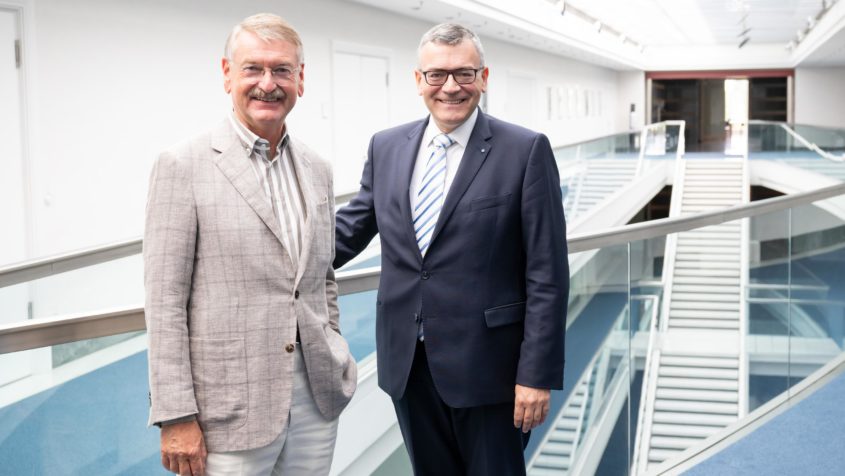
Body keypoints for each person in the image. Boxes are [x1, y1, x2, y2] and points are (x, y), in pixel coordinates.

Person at [334, 23, 568, 475]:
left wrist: (535, 374)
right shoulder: (387, 147)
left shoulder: (524, 149)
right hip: (409, 365)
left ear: (484, 77)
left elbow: (548, 273)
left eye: (464, 74)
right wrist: (272, 254)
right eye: (437, 75)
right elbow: (350, 229)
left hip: (491, 370)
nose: (451, 87)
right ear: (418, 80)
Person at [144, 13, 356, 476]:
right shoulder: (183, 165)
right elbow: (164, 305)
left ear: (300, 79)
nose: (268, 83)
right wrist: (176, 415)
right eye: (252, 68)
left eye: (281, 70)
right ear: (226, 75)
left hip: (316, 401)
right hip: (226, 414)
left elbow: (321, 279)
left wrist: (335, 346)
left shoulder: (316, 168)